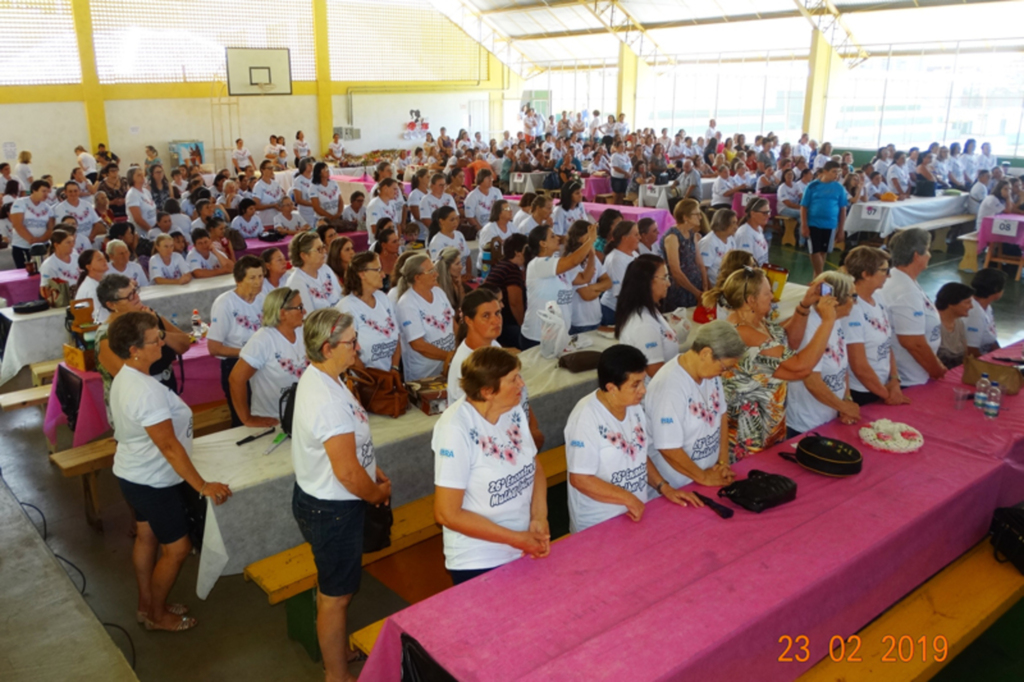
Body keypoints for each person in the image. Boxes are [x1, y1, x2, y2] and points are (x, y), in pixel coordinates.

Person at [108, 312, 232, 633]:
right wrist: (202, 485)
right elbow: (169, 447)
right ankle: (158, 616)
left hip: (133, 473)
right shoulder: (146, 392)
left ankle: (146, 604)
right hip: (153, 481)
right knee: (176, 549)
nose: (162, 343)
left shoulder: (130, 375)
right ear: (134, 349)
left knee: (147, 537)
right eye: (155, 339)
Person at [290, 308, 390, 681]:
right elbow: (347, 474)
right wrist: (376, 493)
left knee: (331, 584)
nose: (358, 348)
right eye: (351, 342)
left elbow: (349, 452)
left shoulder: (325, 378)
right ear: (328, 347)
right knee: (337, 596)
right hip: (333, 508)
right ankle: (336, 675)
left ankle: (338, 652)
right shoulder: (328, 399)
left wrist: (371, 466)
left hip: (325, 501)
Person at [433, 346, 550, 585]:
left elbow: (533, 464)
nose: (522, 384)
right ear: (487, 391)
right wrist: (516, 539)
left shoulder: (513, 409)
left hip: (521, 542)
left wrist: (538, 515)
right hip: (479, 559)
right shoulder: (455, 429)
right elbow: (447, 513)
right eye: (513, 379)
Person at [565, 344, 698, 534]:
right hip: (598, 523)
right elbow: (580, 478)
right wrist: (627, 498)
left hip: (634, 512)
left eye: (643, 382)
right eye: (635, 384)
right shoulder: (586, 418)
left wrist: (663, 487)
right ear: (611, 388)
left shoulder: (633, 406)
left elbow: (639, 454)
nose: (643, 390)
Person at [714, 267, 837, 459]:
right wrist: (828, 321)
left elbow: (788, 340)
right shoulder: (743, 333)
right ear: (750, 301)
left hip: (770, 428)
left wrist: (804, 305)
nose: (772, 296)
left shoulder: (757, 323)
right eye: (767, 292)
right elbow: (800, 367)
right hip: (750, 439)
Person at [645, 321, 745, 489]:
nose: (725, 373)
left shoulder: (711, 375)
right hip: (680, 484)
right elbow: (668, 447)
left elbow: (721, 415)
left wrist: (722, 462)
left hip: (707, 475)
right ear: (706, 353)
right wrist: (704, 477)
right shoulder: (670, 387)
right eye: (724, 367)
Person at [446, 289, 545, 443]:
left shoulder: (493, 345)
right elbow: (481, 423)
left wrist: (532, 425)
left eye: (498, 313)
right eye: (486, 316)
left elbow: (519, 388)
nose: (496, 320)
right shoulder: (464, 366)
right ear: (468, 320)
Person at [96, 275, 191, 415]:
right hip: (138, 404)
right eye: (129, 296)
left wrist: (158, 332)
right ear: (111, 305)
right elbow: (129, 378)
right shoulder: (106, 336)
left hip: (167, 390)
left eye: (135, 291)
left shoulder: (149, 316)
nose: (136, 298)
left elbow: (184, 344)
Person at [786, 272, 860, 437]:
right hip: (805, 423)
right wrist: (843, 406)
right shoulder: (811, 326)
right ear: (836, 299)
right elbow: (811, 380)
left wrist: (846, 399)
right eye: (853, 296)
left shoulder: (835, 319)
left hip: (830, 416)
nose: (855, 301)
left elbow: (842, 366)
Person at [229, 287, 308, 427]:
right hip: (274, 420)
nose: (304, 312)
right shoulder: (263, 340)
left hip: (302, 416)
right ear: (283, 313)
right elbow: (236, 379)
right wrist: (247, 419)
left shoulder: (302, 331)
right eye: (300, 307)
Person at [842, 246, 908, 407]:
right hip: (862, 392)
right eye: (884, 271)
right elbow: (858, 365)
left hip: (882, 387)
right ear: (865, 274)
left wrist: (894, 380)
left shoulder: (878, 299)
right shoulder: (852, 309)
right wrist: (887, 395)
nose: (889, 275)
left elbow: (887, 344)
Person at [207, 256, 267, 426]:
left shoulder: (263, 299)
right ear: (239, 280)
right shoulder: (225, 304)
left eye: (261, 276)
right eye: (252, 278)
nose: (258, 282)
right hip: (235, 366)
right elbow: (214, 348)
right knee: (242, 419)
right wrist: (248, 353)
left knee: (263, 414)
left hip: (261, 367)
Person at [882, 228, 946, 388]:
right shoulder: (905, 291)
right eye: (928, 250)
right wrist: (937, 370)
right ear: (917, 255)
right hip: (910, 379)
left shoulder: (904, 280)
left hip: (916, 373)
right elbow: (913, 343)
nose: (930, 255)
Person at [521, 223, 597, 349]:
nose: (558, 238)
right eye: (552, 236)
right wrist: (589, 240)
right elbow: (573, 260)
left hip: (559, 335)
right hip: (538, 336)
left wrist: (592, 252)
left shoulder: (558, 264)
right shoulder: (538, 264)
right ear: (542, 243)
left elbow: (585, 278)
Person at [395, 253, 456, 381]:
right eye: (431, 271)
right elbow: (418, 345)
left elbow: (453, 323)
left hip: (449, 364)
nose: (436, 274)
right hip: (425, 375)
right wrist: (450, 356)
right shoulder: (407, 303)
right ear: (417, 277)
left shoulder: (438, 292)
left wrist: (459, 350)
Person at [337, 251, 402, 373]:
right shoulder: (346, 307)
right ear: (362, 274)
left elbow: (397, 336)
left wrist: (394, 368)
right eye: (377, 270)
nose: (383, 275)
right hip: (365, 382)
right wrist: (372, 381)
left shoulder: (382, 298)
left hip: (390, 378)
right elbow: (348, 351)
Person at [615, 255, 678, 377]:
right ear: (647, 281)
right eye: (665, 277)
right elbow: (656, 372)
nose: (669, 284)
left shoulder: (650, 310)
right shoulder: (644, 323)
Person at [801, 160, 848, 278]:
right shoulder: (812, 186)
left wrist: (841, 229)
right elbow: (804, 206)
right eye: (833, 172)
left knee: (823, 251)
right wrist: (804, 225)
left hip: (830, 225)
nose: (836, 175)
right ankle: (820, 276)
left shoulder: (839, 188)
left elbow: (843, 209)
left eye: (838, 172)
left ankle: (816, 278)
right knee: (814, 251)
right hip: (813, 223)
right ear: (825, 172)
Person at [564, 220, 611, 335]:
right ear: (579, 237)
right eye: (590, 235)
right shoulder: (570, 261)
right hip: (579, 322)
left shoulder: (591, 257)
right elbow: (587, 295)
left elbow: (608, 282)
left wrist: (591, 287)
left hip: (596, 318)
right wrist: (597, 289)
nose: (594, 239)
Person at [659, 199, 707, 311]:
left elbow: (699, 263)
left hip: (696, 288)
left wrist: (704, 286)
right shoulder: (672, 237)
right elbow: (675, 270)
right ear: (685, 217)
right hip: (681, 290)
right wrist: (696, 292)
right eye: (697, 214)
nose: (700, 217)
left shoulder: (691, 234)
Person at [484, 234, 528, 347]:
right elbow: (515, 303)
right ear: (518, 252)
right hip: (505, 325)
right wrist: (524, 327)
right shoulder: (512, 270)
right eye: (527, 249)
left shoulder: (502, 265)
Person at [286, 230, 342, 311]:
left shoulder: (325, 269)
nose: (325, 251)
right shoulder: (296, 282)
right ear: (304, 255)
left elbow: (340, 296)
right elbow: (308, 317)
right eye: (319, 249)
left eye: (323, 247)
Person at [598, 220, 640, 326]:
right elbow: (620, 293)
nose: (639, 237)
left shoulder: (635, 254)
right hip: (613, 311)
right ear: (624, 238)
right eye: (636, 235)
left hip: (629, 309)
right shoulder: (616, 259)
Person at [9, 179, 55, 268]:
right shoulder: (20, 203)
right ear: (34, 190)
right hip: (22, 246)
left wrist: (40, 240)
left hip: (43, 247)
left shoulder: (47, 208)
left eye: (47, 192)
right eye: (43, 191)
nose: (46, 194)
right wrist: (31, 240)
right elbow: (17, 224)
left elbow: (50, 228)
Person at [965, 268, 1006, 357]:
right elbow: (971, 352)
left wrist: (1002, 356)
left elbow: (992, 340)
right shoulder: (974, 312)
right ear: (996, 290)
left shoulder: (987, 307)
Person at [935, 282, 974, 369]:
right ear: (952, 303)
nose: (971, 307)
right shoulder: (933, 324)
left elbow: (965, 357)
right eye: (967, 302)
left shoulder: (959, 323)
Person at [697, 209, 737, 286]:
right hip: (714, 287)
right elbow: (702, 271)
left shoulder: (731, 239)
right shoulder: (708, 243)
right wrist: (709, 291)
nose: (736, 227)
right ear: (724, 223)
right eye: (733, 223)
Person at [427, 205, 471, 274]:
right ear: (441, 221)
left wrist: (468, 274)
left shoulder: (459, 235)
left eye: (457, 219)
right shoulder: (437, 241)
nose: (456, 222)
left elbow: (467, 256)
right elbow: (439, 267)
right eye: (452, 220)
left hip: (463, 275)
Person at [38, 230, 80, 303]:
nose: (72, 245)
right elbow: (44, 290)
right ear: (56, 245)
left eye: (73, 242)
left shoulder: (76, 257)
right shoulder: (49, 265)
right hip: (63, 301)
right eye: (68, 242)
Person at [75, 249, 110, 323]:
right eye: (99, 259)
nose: (104, 260)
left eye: (104, 257)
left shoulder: (100, 283)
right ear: (89, 267)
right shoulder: (91, 289)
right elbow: (100, 319)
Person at [463, 169, 503, 235]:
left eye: (491, 178)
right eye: (488, 178)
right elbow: (470, 216)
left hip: (496, 227)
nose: (491, 180)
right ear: (481, 180)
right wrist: (481, 231)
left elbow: (501, 210)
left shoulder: (497, 192)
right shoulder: (472, 196)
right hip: (480, 228)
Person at [733, 196, 770, 267]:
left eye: (768, 212)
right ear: (753, 213)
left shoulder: (759, 228)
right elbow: (745, 263)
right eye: (764, 213)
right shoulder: (745, 234)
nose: (768, 216)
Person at [311, 162, 344, 228]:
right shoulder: (314, 187)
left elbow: (340, 200)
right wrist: (330, 217)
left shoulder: (334, 183)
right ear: (319, 173)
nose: (328, 171)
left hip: (337, 218)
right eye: (325, 169)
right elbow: (316, 207)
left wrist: (338, 214)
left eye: (327, 169)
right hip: (323, 221)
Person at [252, 161, 285, 226]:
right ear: (262, 170)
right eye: (269, 168)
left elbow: (281, 199)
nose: (272, 170)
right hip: (266, 221)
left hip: (279, 220)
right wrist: (272, 206)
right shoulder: (258, 186)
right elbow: (256, 206)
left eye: (272, 168)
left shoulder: (276, 184)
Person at [435, 246, 466, 312]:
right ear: (447, 267)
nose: (461, 267)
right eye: (457, 264)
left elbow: (463, 305)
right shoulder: (437, 288)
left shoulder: (455, 281)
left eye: (460, 263)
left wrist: (460, 287)